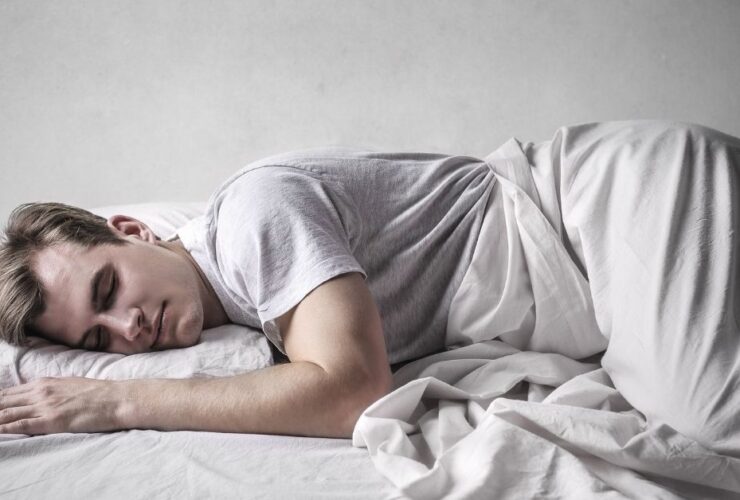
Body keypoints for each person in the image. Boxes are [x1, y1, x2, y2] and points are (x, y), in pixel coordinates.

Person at [0, 120, 738, 455]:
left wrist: (117, 401)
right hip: (593, 266)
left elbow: (350, 388)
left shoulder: (252, 216)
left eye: (107, 290)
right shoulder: (242, 311)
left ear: (131, 230)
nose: (126, 329)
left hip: (612, 206)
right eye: (97, 339)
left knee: (713, 434)